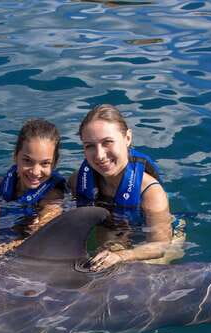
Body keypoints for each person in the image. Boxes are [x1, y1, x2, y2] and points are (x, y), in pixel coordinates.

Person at [70, 104, 177, 271]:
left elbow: (161, 245)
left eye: (107, 142)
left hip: (154, 243)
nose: (99, 155)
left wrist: (122, 256)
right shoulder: (78, 180)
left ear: (127, 138)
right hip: (115, 233)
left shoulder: (150, 192)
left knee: (140, 273)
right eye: (89, 145)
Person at [0, 118, 66, 257]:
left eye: (45, 163)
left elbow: (39, 238)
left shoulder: (52, 197)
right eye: (27, 161)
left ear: (54, 164)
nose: (35, 172)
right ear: (15, 156)